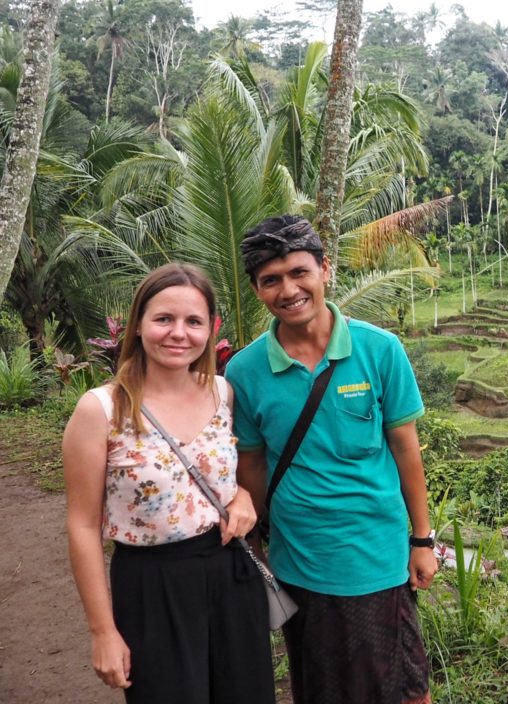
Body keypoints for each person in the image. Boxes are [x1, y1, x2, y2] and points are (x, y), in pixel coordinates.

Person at [226, 214, 437, 704]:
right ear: (258, 290)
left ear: (325, 269)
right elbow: (252, 468)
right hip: (301, 562)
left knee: (405, 689)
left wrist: (422, 539)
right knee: (322, 688)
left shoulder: (380, 350)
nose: (288, 289)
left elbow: (406, 451)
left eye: (299, 272)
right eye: (271, 280)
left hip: (378, 557)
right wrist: (255, 550)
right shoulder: (245, 370)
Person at [62, 263, 275, 704]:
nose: (179, 333)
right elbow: (82, 526)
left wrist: (242, 498)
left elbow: (234, 473)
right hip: (150, 585)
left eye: (193, 322)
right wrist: (103, 632)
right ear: (139, 324)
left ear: (210, 330)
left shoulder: (224, 394)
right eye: (164, 319)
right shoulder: (101, 409)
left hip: (230, 573)